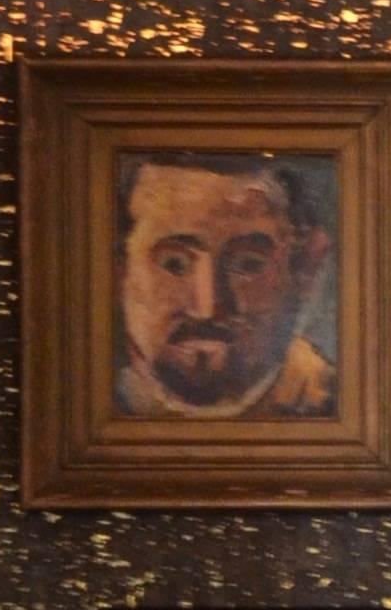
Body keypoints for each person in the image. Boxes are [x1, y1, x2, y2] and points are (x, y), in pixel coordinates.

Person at [115, 153, 336, 420]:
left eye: (248, 264)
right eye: (174, 264)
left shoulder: (337, 407)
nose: (207, 308)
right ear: (120, 271)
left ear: (305, 270)